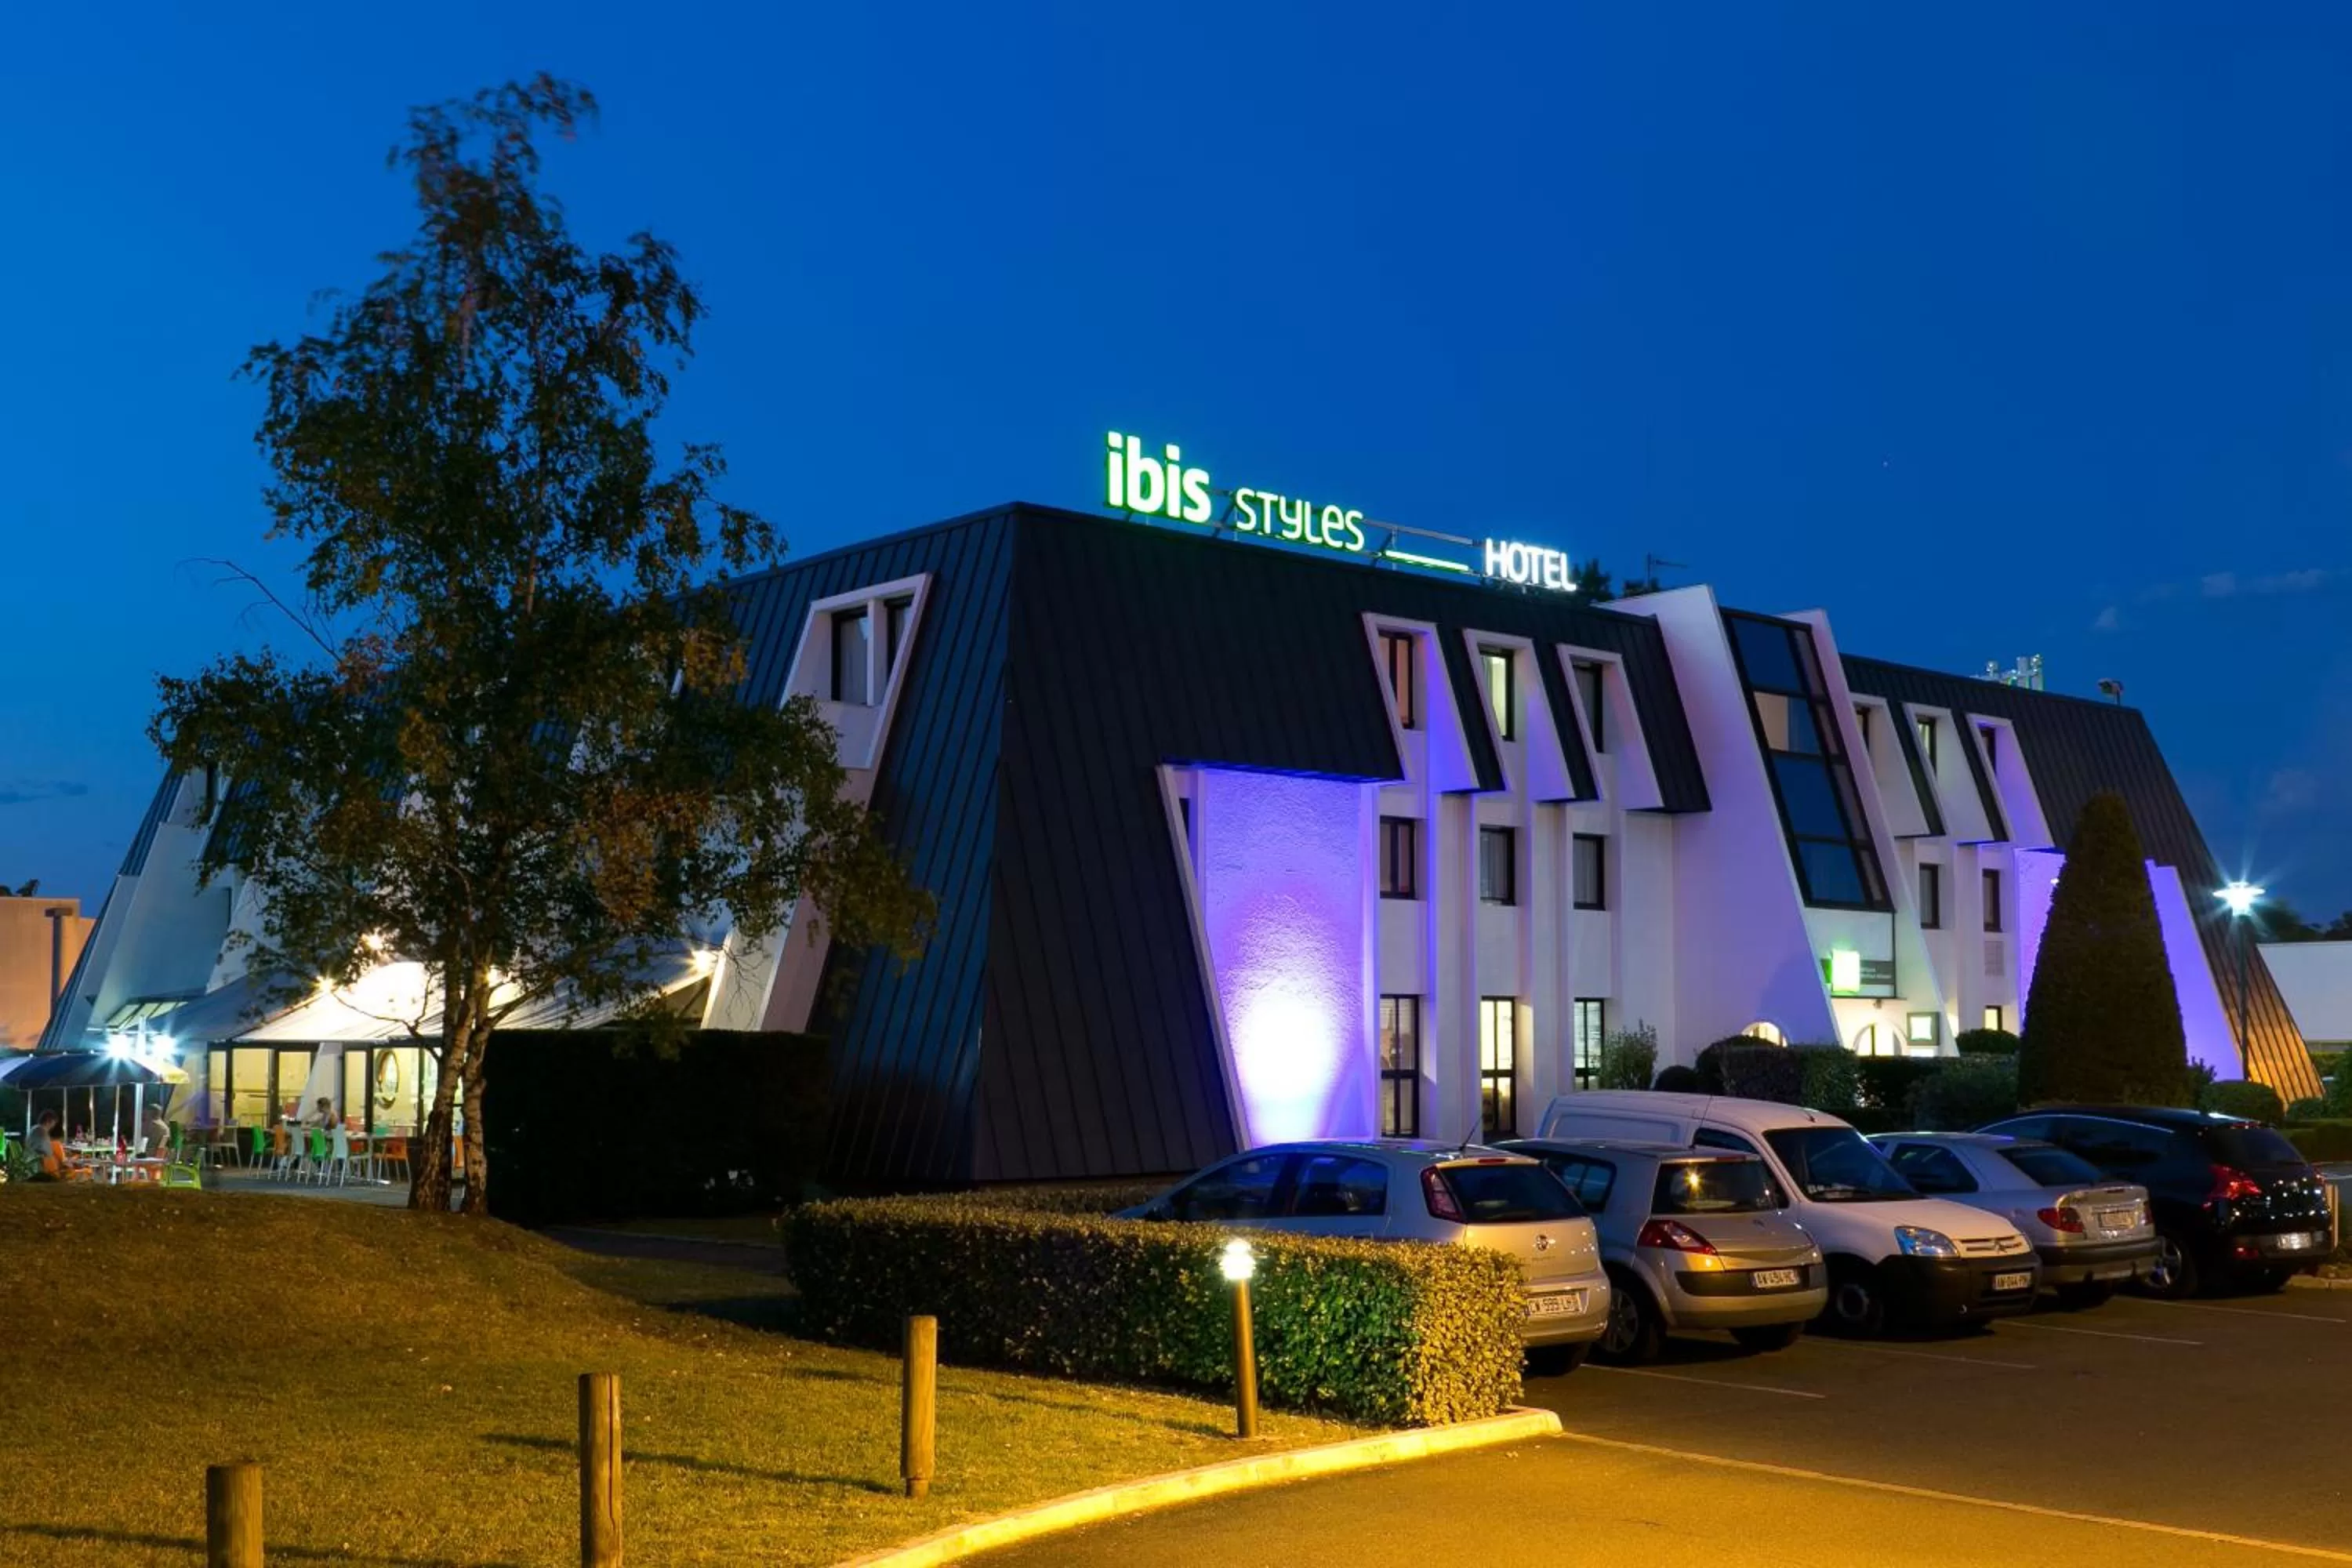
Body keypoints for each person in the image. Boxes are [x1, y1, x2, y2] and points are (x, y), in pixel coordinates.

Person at [26, 1110, 83, 1181]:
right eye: (53, 1123)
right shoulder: (42, 1132)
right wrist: (64, 1161)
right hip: (44, 1171)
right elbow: (48, 1153)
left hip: (35, 1165)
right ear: (49, 1121)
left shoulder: (35, 1129)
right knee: (84, 1171)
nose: (53, 1126)